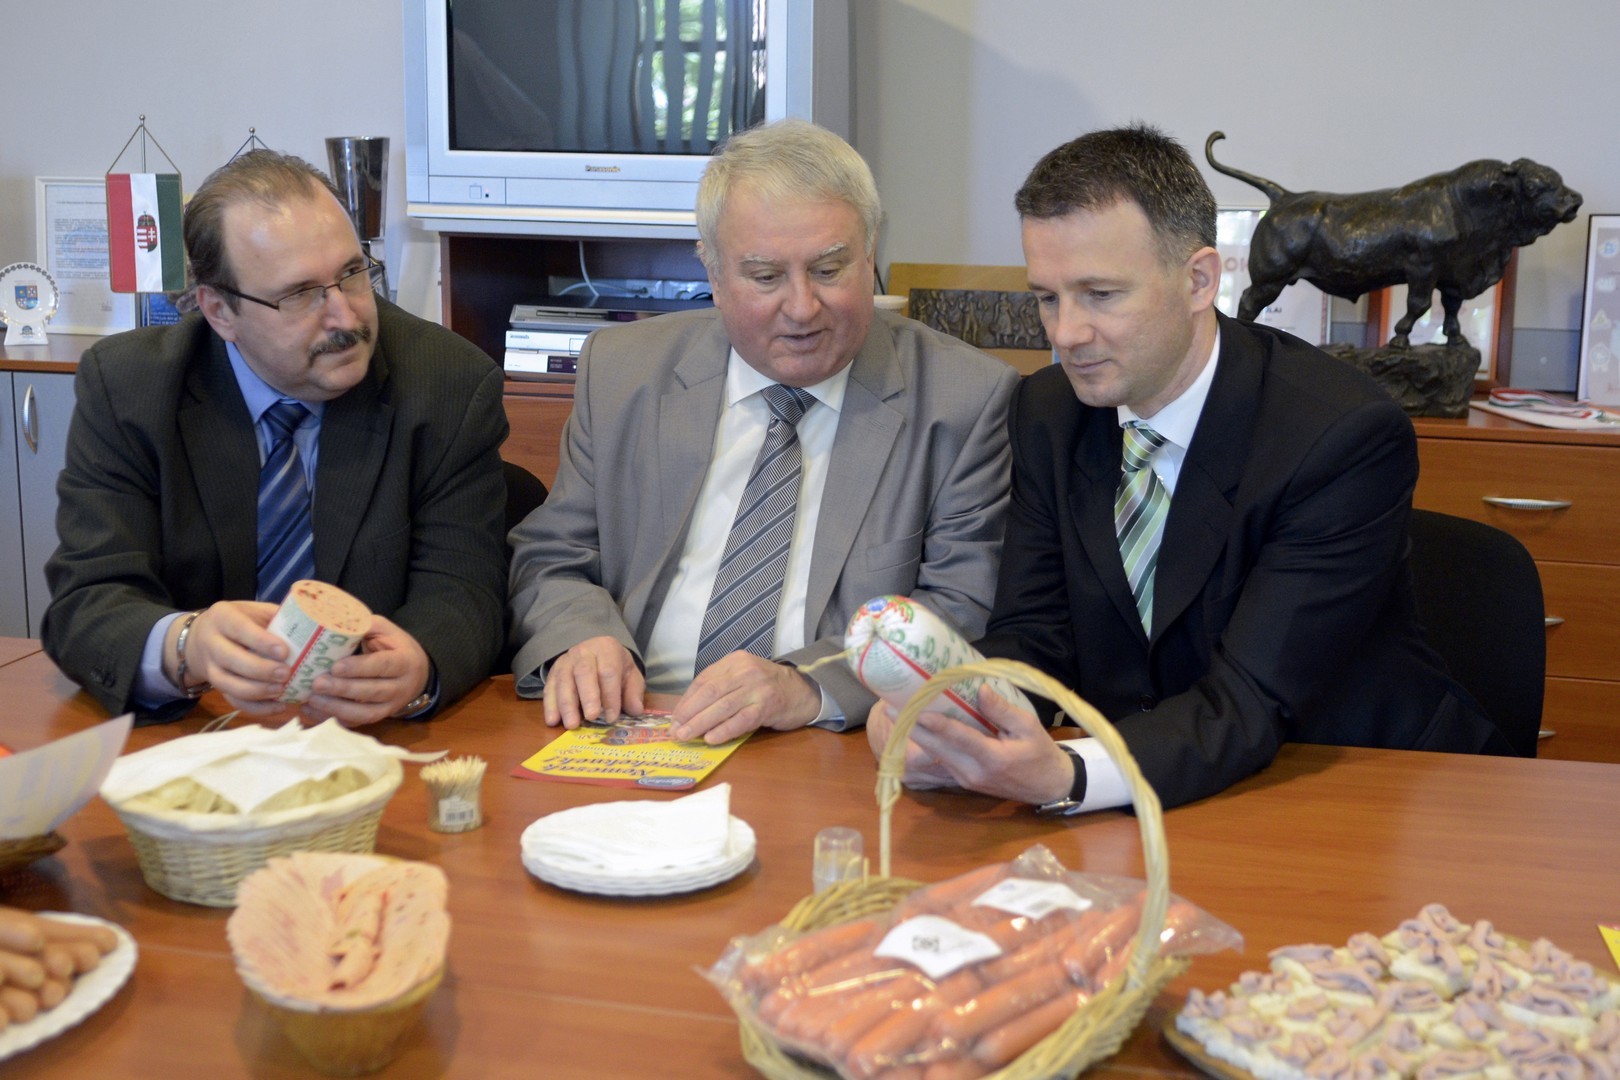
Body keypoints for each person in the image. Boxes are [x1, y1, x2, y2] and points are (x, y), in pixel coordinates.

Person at [868, 124, 1514, 813]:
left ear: (1199, 280)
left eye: (1100, 294)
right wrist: (957, 718)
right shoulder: (1048, 412)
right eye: (1048, 297)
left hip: (1363, 788)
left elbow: (1251, 698)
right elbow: (1036, 633)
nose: (1065, 334)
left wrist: (1067, 775)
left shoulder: (1338, 435)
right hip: (1160, 791)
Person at [508, 119, 1017, 743]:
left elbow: (959, 609)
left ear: (870, 254)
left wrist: (806, 685)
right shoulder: (622, 372)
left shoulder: (963, 399)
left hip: (823, 740)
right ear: (713, 271)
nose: (802, 308)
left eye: (828, 270)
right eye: (766, 277)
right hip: (634, 719)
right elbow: (553, 554)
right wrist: (582, 637)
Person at [42, 150, 510, 726]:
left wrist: (419, 665)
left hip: (368, 737)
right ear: (220, 311)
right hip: (198, 730)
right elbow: (87, 600)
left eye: (352, 273)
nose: (346, 317)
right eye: (299, 294)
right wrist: (186, 643)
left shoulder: (447, 384)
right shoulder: (131, 388)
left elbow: (465, 591)